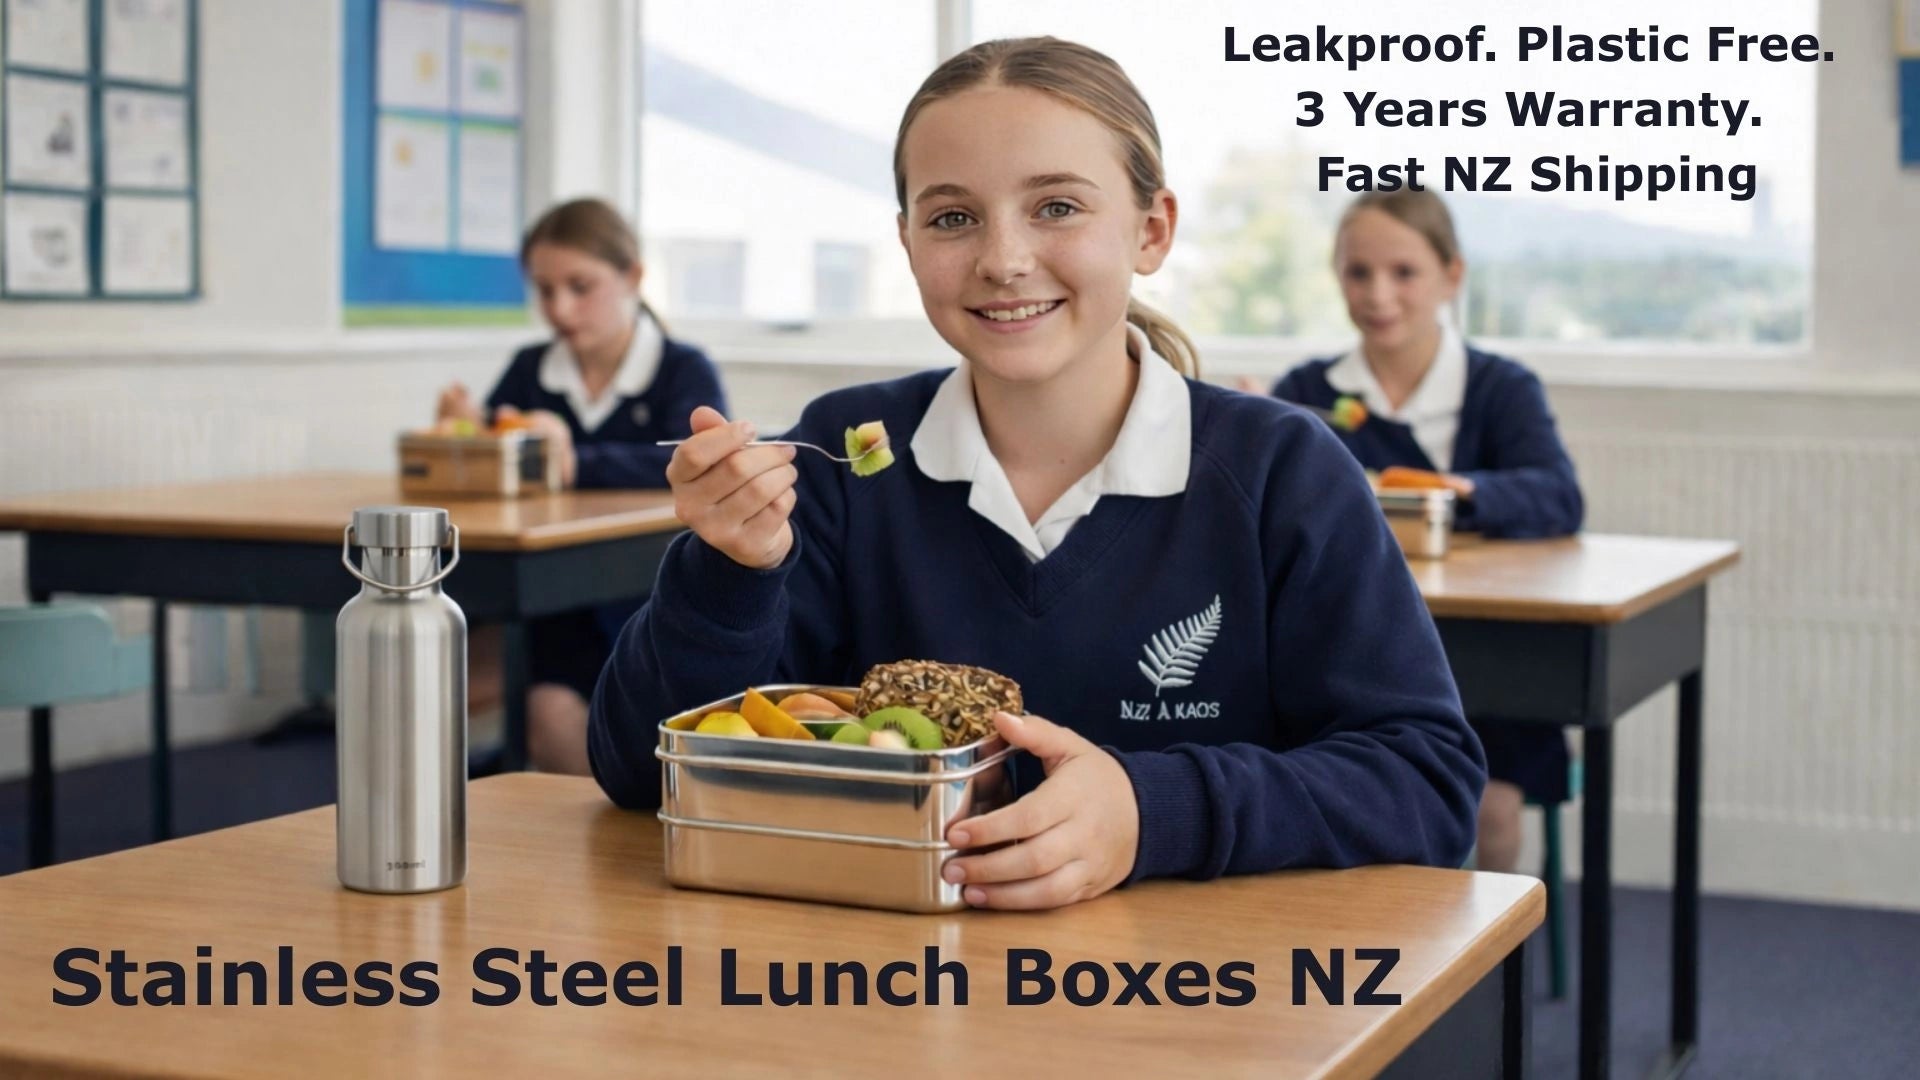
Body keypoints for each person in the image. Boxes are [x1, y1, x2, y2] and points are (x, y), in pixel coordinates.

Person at [589, 39, 1485, 909]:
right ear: (906, 243)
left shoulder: (1281, 471)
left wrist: (1151, 811)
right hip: (888, 1001)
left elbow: (1425, 781)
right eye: (952, 218)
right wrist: (730, 572)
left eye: (1056, 207)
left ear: (1152, 229)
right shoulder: (843, 455)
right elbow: (638, 772)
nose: (1003, 258)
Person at [1269, 189, 1585, 873]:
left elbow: (1558, 494)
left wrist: (1450, 495)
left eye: (1404, 273)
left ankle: (1486, 970)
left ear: (1452, 276)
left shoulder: (1500, 387)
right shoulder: (1305, 392)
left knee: (1490, 808)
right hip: (1346, 650)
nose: (1379, 294)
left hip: (1489, 656)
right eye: (1359, 274)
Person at [436, 197, 727, 775]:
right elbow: (499, 459)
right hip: (550, 607)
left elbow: (702, 463)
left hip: (641, 599)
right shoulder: (529, 367)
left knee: (592, 716)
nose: (560, 308)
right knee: (511, 694)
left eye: (579, 286)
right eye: (544, 290)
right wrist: (465, 434)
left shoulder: (683, 368)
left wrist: (569, 460)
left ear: (633, 278)